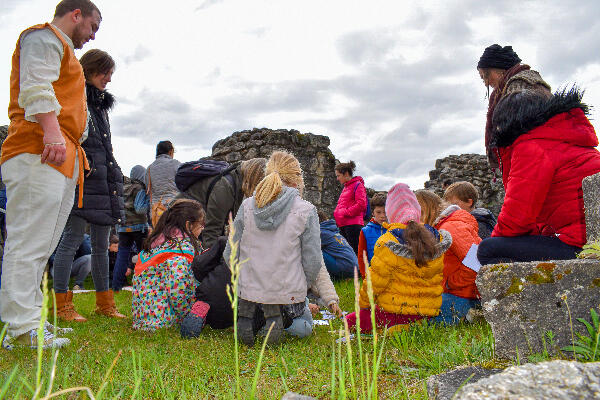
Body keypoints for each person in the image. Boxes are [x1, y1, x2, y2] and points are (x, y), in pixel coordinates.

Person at [0, 0, 101, 350]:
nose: (91, 36)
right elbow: (35, 85)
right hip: (38, 148)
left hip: (62, 155)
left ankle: (28, 321)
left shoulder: (67, 53)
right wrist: (52, 131)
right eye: (92, 27)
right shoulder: (44, 38)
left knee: (41, 245)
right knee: (28, 242)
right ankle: (20, 329)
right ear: (77, 15)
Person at [477, 88, 600, 265]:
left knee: (488, 250)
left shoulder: (531, 146)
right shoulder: (568, 140)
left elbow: (517, 218)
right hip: (589, 238)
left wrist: (496, 240)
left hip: (581, 243)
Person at [50, 48, 124, 323]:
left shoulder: (100, 106)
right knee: (71, 240)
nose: (108, 79)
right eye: (106, 73)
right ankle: (62, 304)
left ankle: (105, 303)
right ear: (91, 69)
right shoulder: (73, 97)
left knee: (102, 245)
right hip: (82, 179)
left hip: (102, 182)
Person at [224, 151, 321, 346]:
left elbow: (230, 254)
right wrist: (301, 287)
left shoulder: (247, 206)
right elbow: (313, 262)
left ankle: (256, 320)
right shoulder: (306, 210)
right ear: (297, 178)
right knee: (304, 327)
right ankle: (283, 320)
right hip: (287, 293)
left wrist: (245, 281)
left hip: (250, 292)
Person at [345, 183, 452, 334]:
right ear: (417, 209)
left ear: (391, 212)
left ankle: (395, 329)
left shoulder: (388, 241)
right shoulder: (435, 236)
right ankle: (417, 324)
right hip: (427, 311)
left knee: (349, 321)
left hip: (396, 310)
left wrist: (363, 305)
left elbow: (374, 283)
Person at [132, 199, 205, 331]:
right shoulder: (181, 250)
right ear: (189, 225)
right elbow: (177, 289)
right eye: (201, 224)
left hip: (143, 318)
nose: (203, 228)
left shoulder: (157, 242)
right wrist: (190, 315)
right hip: (163, 321)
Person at [477, 44, 551, 170]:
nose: (486, 83)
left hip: (536, 162)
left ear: (499, 68)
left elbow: (522, 139)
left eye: (486, 75)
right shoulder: (525, 84)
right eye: (482, 79)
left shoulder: (519, 88)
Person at [416, 190, 481, 325]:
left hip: (462, 295)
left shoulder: (451, 227)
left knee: (417, 323)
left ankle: (470, 315)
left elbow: (476, 263)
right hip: (457, 292)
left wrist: (450, 283)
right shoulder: (443, 225)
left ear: (426, 209)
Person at [182, 158, 266, 248]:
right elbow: (212, 228)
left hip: (196, 222)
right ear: (255, 178)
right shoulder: (225, 186)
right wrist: (211, 257)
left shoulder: (238, 182)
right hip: (182, 219)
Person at [113, 165, 150, 291]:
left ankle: (117, 286)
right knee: (144, 255)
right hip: (139, 227)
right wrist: (149, 203)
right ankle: (144, 284)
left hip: (123, 227)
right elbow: (140, 209)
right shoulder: (139, 188)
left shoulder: (123, 187)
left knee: (122, 256)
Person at [333, 161, 367, 255]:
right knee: (347, 254)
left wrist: (345, 212)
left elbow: (361, 204)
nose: (337, 178)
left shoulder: (357, 185)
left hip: (353, 225)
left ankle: (357, 270)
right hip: (344, 225)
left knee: (354, 253)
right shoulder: (346, 187)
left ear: (346, 174)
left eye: (338, 175)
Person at [147, 141, 181, 226]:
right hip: (174, 207)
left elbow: (147, 188)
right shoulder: (175, 164)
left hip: (156, 211)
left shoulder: (149, 168)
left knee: (159, 237)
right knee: (175, 235)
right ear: (170, 151)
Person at [318, 211, 358, 279]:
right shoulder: (332, 231)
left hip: (345, 269)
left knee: (314, 251)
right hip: (355, 269)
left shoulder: (322, 232)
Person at [357, 193, 388, 276]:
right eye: (378, 212)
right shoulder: (365, 231)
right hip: (374, 275)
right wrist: (365, 276)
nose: (383, 216)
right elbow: (362, 256)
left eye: (385, 212)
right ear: (373, 213)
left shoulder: (394, 229)